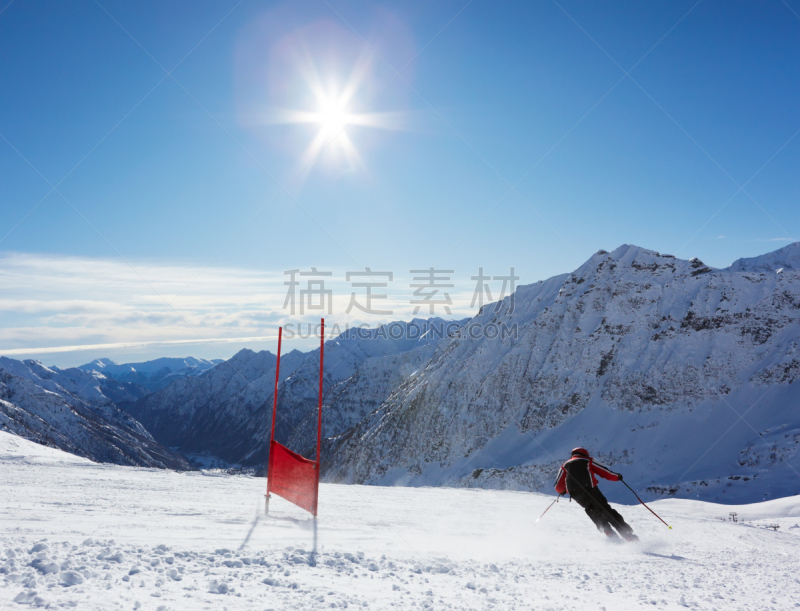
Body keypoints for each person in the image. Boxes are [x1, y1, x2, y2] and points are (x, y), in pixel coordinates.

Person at [554, 447, 637, 542]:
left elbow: (558, 486)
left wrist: (563, 491)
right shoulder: (588, 460)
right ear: (585, 454)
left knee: (591, 510)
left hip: (576, 494)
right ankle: (626, 533)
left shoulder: (565, 465)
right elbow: (605, 472)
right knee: (605, 509)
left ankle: (606, 530)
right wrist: (617, 477)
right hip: (590, 489)